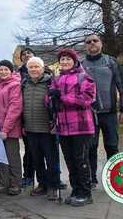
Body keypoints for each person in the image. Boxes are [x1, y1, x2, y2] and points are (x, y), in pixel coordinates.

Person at [48, 48, 96, 206]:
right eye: (62, 60)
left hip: (81, 127)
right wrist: (51, 100)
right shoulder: (56, 79)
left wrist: (62, 97)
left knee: (81, 160)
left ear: (74, 61)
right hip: (63, 127)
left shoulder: (84, 77)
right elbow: (49, 101)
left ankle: (86, 192)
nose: (65, 62)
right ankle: (76, 190)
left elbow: (87, 99)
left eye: (68, 59)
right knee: (70, 161)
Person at [81, 34, 123, 189]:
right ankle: (91, 179)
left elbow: (122, 85)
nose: (92, 43)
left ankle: (116, 180)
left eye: (95, 41)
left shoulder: (111, 62)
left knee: (112, 146)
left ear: (101, 43)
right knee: (90, 148)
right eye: (88, 42)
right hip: (89, 114)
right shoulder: (81, 65)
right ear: (85, 46)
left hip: (109, 113)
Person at [22, 57, 59, 200]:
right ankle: (42, 185)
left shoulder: (51, 83)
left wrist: (55, 123)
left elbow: (56, 105)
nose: (33, 69)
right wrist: (23, 124)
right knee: (37, 160)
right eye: (31, 67)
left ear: (43, 69)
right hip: (31, 128)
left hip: (47, 129)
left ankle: (53, 186)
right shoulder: (24, 83)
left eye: (36, 66)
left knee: (51, 160)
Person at [0, 60, 23, 196]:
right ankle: (3, 182)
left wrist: (5, 129)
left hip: (10, 128)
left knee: (12, 156)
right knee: (1, 156)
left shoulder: (15, 85)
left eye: (6, 69)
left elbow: (14, 108)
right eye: (1, 69)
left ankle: (15, 183)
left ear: (11, 71)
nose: (3, 72)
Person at [17, 47, 36, 188]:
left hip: (43, 117)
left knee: (48, 150)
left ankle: (53, 178)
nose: (27, 55)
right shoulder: (18, 74)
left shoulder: (46, 71)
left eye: (29, 53)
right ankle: (28, 176)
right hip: (26, 116)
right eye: (24, 54)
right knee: (29, 149)